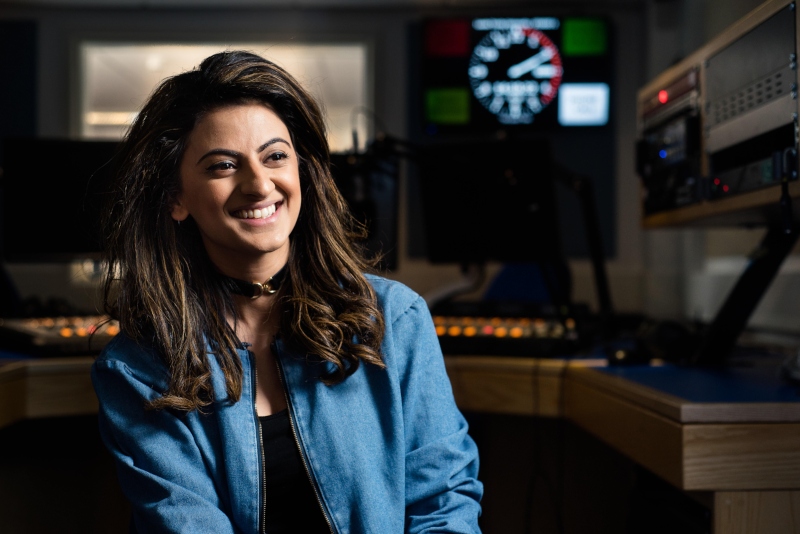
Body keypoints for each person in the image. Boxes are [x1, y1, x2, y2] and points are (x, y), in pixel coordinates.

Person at [91, 50, 482, 534]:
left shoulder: (394, 318)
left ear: (301, 173)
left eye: (275, 156)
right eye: (222, 166)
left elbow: (443, 501)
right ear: (176, 198)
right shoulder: (138, 369)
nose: (259, 184)